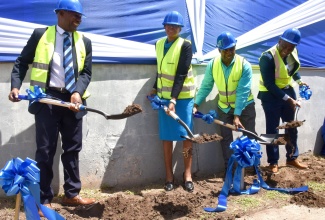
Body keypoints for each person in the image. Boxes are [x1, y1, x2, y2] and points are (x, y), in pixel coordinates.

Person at [8, 0, 95, 211]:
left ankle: (72, 194)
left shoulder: (85, 41)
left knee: (72, 149)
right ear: (61, 14)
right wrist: (15, 86)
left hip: (72, 102)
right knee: (45, 151)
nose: (79, 19)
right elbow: (22, 62)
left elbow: (86, 73)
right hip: (46, 99)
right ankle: (44, 199)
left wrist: (77, 92)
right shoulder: (41, 35)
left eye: (80, 16)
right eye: (75, 15)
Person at [193, 31, 256, 171]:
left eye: (232, 49)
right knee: (225, 139)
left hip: (245, 106)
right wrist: (196, 104)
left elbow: (243, 91)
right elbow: (206, 86)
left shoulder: (244, 65)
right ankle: (230, 169)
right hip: (224, 107)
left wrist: (237, 115)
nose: (229, 52)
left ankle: (252, 169)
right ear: (219, 50)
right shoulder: (213, 64)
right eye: (225, 50)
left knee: (249, 136)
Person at [148, 11, 195, 192]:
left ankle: (187, 174)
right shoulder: (159, 44)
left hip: (182, 98)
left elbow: (181, 73)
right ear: (164, 26)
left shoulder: (186, 45)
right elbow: (160, 70)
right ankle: (169, 175)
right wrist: (154, 87)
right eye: (168, 25)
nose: (171, 28)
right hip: (164, 97)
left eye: (175, 26)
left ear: (180, 28)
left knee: (187, 136)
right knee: (167, 137)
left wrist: (174, 99)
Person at [258, 27, 308, 174]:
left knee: (291, 126)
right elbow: (269, 84)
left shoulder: (293, 52)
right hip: (270, 96)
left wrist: (299, 81)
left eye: (291, 47)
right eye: (285, 45)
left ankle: (292, 157)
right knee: (271, 130)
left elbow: (293, 69)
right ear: (279, 41)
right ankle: (272, 162)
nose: (287, 49)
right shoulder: (267, 57)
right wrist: (289, 99)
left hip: (287, 91)